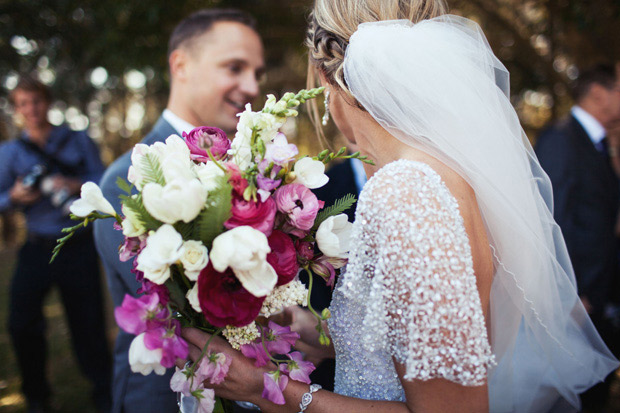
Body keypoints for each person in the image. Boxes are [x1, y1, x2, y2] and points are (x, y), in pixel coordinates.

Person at [180, 1, 620, 412]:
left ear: (327, 75)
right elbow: (427, 350)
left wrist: (265, 390)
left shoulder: (408, 190)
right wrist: (326, 337)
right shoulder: (439, 175)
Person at [92, 8, 264, 413]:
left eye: (256, 72)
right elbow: (173, 306)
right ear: (181, 65)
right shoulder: (128, 180)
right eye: (235, 67)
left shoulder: (248, 168)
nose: (252, 85)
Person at [0, 76, 111, 413]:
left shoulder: (78, 140)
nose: (31, 109)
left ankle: (104, 394)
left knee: (89, 324)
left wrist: (74, 183)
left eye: (36, 101)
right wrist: (14, 197)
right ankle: (37, 396)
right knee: (20, 323)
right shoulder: (10, 152)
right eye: (23, 104)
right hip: (37, 246)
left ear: (47, 103)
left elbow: (104, 180)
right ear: (17, 109)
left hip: (78, 244)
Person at [535, 64, 620, 411]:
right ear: (599, 93)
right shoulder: (561, 138)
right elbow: (548, 216)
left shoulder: (600, 145)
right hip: (576, 301)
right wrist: (567, 292)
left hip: (601, 295)